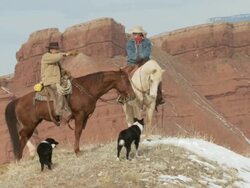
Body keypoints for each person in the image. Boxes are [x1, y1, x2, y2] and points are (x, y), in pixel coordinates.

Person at [126, 26, 165, 110]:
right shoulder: (130, 43)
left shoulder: (147, 42)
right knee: (124, 75)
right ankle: (124, 96)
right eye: (133, 34)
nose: (134, 35)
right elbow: (130, 54)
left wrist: (141, 57)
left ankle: (159, 96)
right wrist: (136, 59)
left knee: (157, 74)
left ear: (140, 34)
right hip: (132, 63)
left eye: (136, 34)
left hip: (145, 62)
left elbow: (147, 53)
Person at [40, 42, 75, 125]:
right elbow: (57, 57)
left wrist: (65, 72)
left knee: (67, 88)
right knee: (60, 91)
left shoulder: (55, 60)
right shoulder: (46, 56)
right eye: (56, 49)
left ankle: (68, 110)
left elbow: (59, 70)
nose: (57, 51)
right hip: (50, 81)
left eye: (57, 49)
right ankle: (58, 111)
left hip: (56, 81)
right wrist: (66, 54)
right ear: (51, 50)